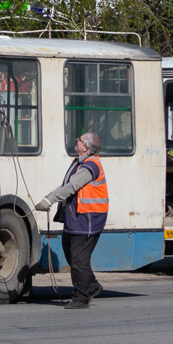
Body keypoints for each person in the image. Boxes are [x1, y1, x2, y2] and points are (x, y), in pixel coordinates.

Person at [35, 131, 108, 309]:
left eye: (80, 139)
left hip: (88, 219)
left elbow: (72, 186)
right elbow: (66, 185)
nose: (77, 140)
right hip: (76, 218)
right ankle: (92, 285)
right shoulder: (79, 162)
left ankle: (81, 298)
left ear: (86, 147)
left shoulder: (91, 165)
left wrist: (49, 201)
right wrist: (49, 197)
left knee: (78, 260)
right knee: (71, 254)